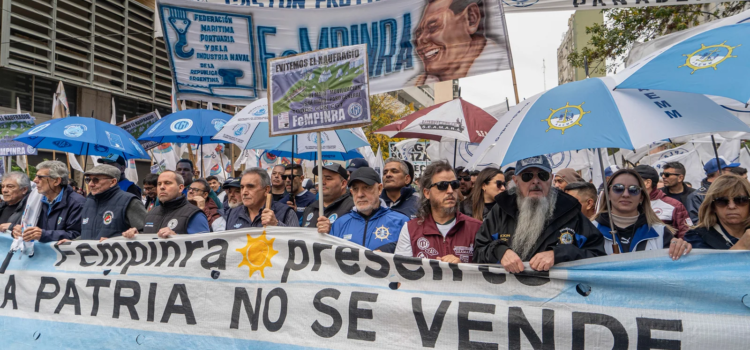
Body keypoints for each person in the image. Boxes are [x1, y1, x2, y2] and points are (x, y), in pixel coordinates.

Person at [473, 156, 605, 272]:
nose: (536, 181)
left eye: (542, 175)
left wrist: (559, 254)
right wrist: (500, 251)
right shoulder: (501, 210)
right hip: (507, 296)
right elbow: (478, 252)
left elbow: (597, 256)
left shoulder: (569, 211)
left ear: (551, 179)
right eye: (527, 176)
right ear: (516, 181)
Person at [395, 161, 482, 262]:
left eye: (454, 184)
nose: (450, 190)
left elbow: (486, 272)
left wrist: (461, 268)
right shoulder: (410, 229)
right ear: (427, 193)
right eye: (442, 185)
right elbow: (402, 272)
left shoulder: (477, 228)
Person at [593, 169, 691, 259]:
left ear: (641, 197)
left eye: (633, 189)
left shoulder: (660, 232)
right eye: (618, 188)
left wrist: (682, 248)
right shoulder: (591, 230)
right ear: (608, 194)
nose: (626, 194)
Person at [410, 0, 500, 86]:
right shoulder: (413, 86)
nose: (420, 39)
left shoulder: (500, 72)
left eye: (433, 27)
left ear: (471, 18)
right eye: (418, 34)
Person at [330, 167, 409, 253]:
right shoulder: (339, 224)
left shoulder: (400, 221)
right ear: (352, 192)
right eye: (356, 189)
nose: (360, 194)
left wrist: (389, 250)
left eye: (366, 187)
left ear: (379, 189)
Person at [12, 161, 85, 243]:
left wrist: (44, 235)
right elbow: (25, 223)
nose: (35, 180)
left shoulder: (77, 203)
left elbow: (77, 235)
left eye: (40, 177)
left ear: (56, 181)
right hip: (38, 254)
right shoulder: (34, 199)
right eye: (36, 176)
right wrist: (17, 230)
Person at [125, 171, 209, 238]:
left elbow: (204, 246)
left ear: (180, 188)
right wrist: (138, 235)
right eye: (159, 184)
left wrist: (176, 237)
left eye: (167, 183)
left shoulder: (194, 214)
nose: (162, 187)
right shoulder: (151, 213)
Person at [78, 165, 146, 241]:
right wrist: (71, 242)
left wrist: (114, 242)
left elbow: (148, 233)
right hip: (90, 252)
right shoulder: (88, 202)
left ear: (113, 182)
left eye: (96, 180)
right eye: (88, 180)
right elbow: (88, 234)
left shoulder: (129, 201)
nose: (90, 184)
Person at [684, 174, 750, 250]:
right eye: (722, 201)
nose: (731, 206)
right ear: (712, 206)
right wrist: (741, 246)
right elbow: (705, 262)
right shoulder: (696, 236)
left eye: (741, 200)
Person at [225, 168, 299, 229]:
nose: (244, 192)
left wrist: (276, 225)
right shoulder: (232, 214)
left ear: (266, 190)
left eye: (250, 187)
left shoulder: (286, 213)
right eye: (242, 187)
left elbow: (297, 242)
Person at [635, 165, 692, 238]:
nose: (628, 184)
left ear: (647, 183)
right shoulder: (626, 204)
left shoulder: (674, 205)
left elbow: (686, 236)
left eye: (634, 181)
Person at [302, 163, 354, 233]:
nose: (322, 182)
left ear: (343, 184)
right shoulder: (310, 208)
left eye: (328, 178)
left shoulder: (353, 209)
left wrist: (331, 232)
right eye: (320, 178)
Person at [686, 158, 739, 223]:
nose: (732, 173)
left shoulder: (734, 190)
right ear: (719, 172)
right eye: (730, 170)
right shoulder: (697, 196)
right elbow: (697, 222)